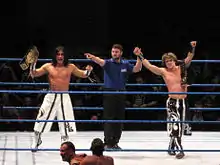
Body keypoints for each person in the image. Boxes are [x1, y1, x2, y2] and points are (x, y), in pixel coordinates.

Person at [133, 41, 197, 159]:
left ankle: (171, 146)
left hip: (182, 102)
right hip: (172, 102)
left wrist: (192, 47)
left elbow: (189, 58)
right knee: (176, 125)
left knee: (179, 127)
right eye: (166, 61)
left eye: (170, 60)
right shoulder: (163, 72)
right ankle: (179, 149)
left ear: (174, 60)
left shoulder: (181, 68)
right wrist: (139, 55)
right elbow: (149, 66)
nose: (169, 63)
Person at [30, 46, 93, 151]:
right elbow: (34, 74)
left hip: (64, 96)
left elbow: (83, 75)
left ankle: (65, 144)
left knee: (65, 120)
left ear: (65, 56)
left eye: (62, 54)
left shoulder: (70, 67)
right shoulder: (48, 66)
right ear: (55, 56)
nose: (60, 56)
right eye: (58, 54)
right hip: (51, 95)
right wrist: (33, 63)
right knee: (41, 117)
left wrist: (88, 70)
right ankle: (36, 141)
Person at [84, 44, 142, 149]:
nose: (114, 53)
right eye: (113, 52)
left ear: (121, 53)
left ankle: (115, 142)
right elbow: (100, 61)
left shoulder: (125, 64)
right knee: (109, 118)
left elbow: (137, 69)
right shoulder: (108, 63)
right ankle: (107, 142)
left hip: (121, 93)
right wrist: (92, 57)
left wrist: (139, 56)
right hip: (109, 92)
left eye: (116, 52)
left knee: (119, 118)